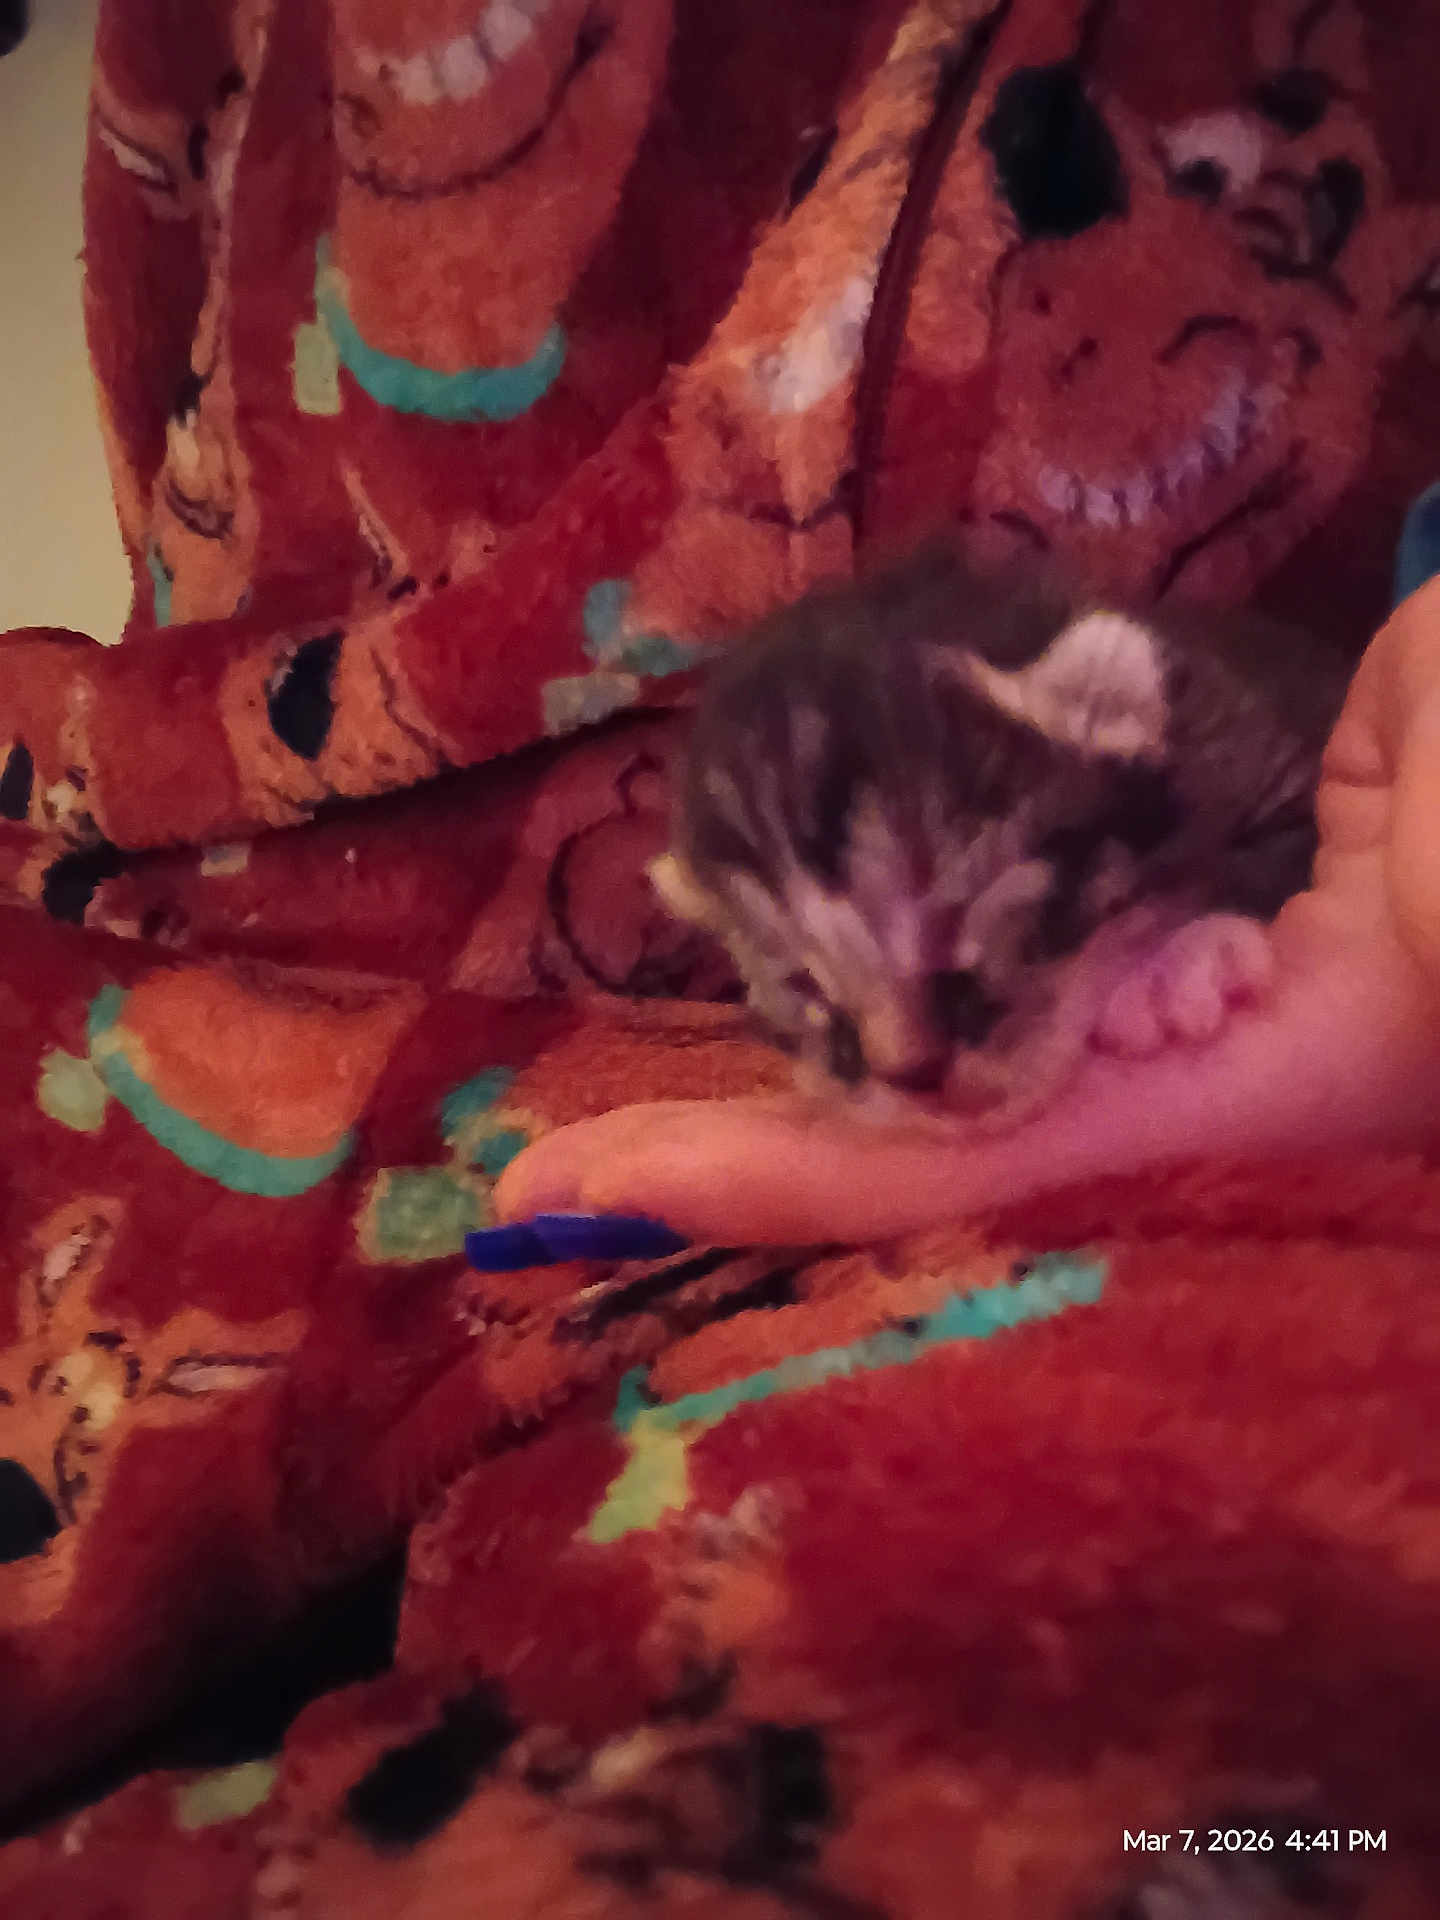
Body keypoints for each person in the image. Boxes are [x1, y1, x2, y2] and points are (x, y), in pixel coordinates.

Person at [496, 573, 1440, 1245]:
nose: (904, 1060)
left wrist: (1246, 922)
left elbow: (1306, 816)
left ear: (1105, 727)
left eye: (963, 949)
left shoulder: (1222, 755)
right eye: (817, 1000)